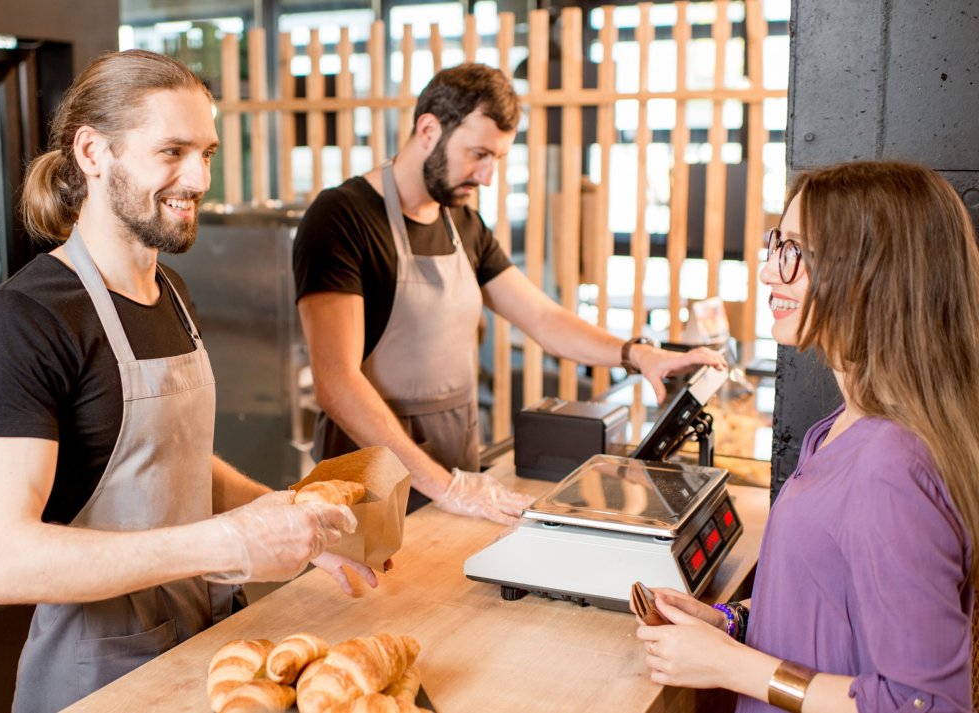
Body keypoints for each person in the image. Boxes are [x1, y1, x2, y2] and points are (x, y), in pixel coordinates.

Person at [0, 50, 378, 713]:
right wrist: (231, 542)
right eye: (173, 151)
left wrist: (291, 520)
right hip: (100, 679)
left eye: (207, 152)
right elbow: (4, 558)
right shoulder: (22, 321)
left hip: (208, 647)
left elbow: (171, 462)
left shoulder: (171, 291)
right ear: (94, 153)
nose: (199, 176)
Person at [294, 63, 725, 522]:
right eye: (477, 154)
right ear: (427, 129)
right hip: (369, 482)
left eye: (496, 159)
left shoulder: (462, 223)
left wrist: (638, 355)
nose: (487, 177)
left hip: (452, 470)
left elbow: (542, 318)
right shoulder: (341, 219)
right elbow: (336, 384)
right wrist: (446, 487)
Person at [635, 161, 978, 712]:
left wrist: (728, 664)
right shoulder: (839, 429)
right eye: (777, 245)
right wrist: (730, 622)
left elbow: (926, 704)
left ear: (877, 274)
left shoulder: (893, 466)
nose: (770, 272)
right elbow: (832, 614)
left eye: (796, 252)